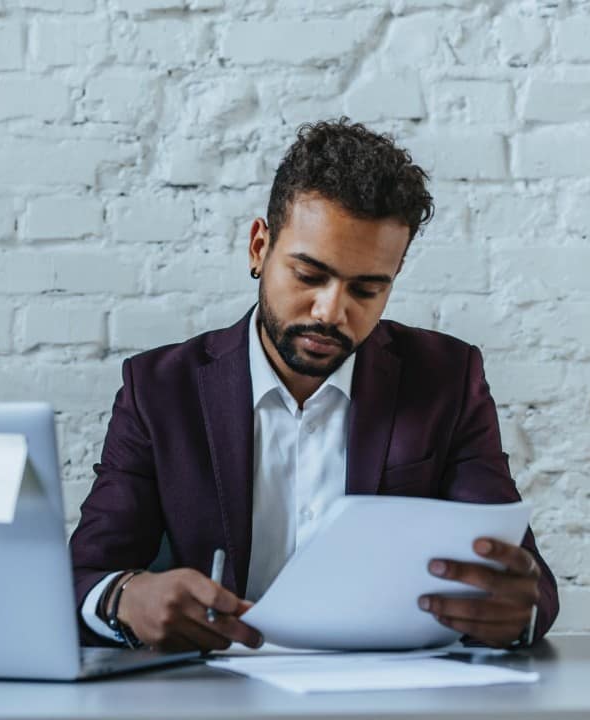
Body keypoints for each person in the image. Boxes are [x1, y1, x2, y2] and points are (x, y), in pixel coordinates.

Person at [70, 118, 559, 652]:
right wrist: (126, 598)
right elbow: (84, 576)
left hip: (390, 695)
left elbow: (526, 583)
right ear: (259, 248)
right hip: (214, 695)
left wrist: (516, 610)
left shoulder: (445, 380)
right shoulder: (160, 390)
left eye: (367, 289)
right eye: (308, 275)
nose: (331, 311)